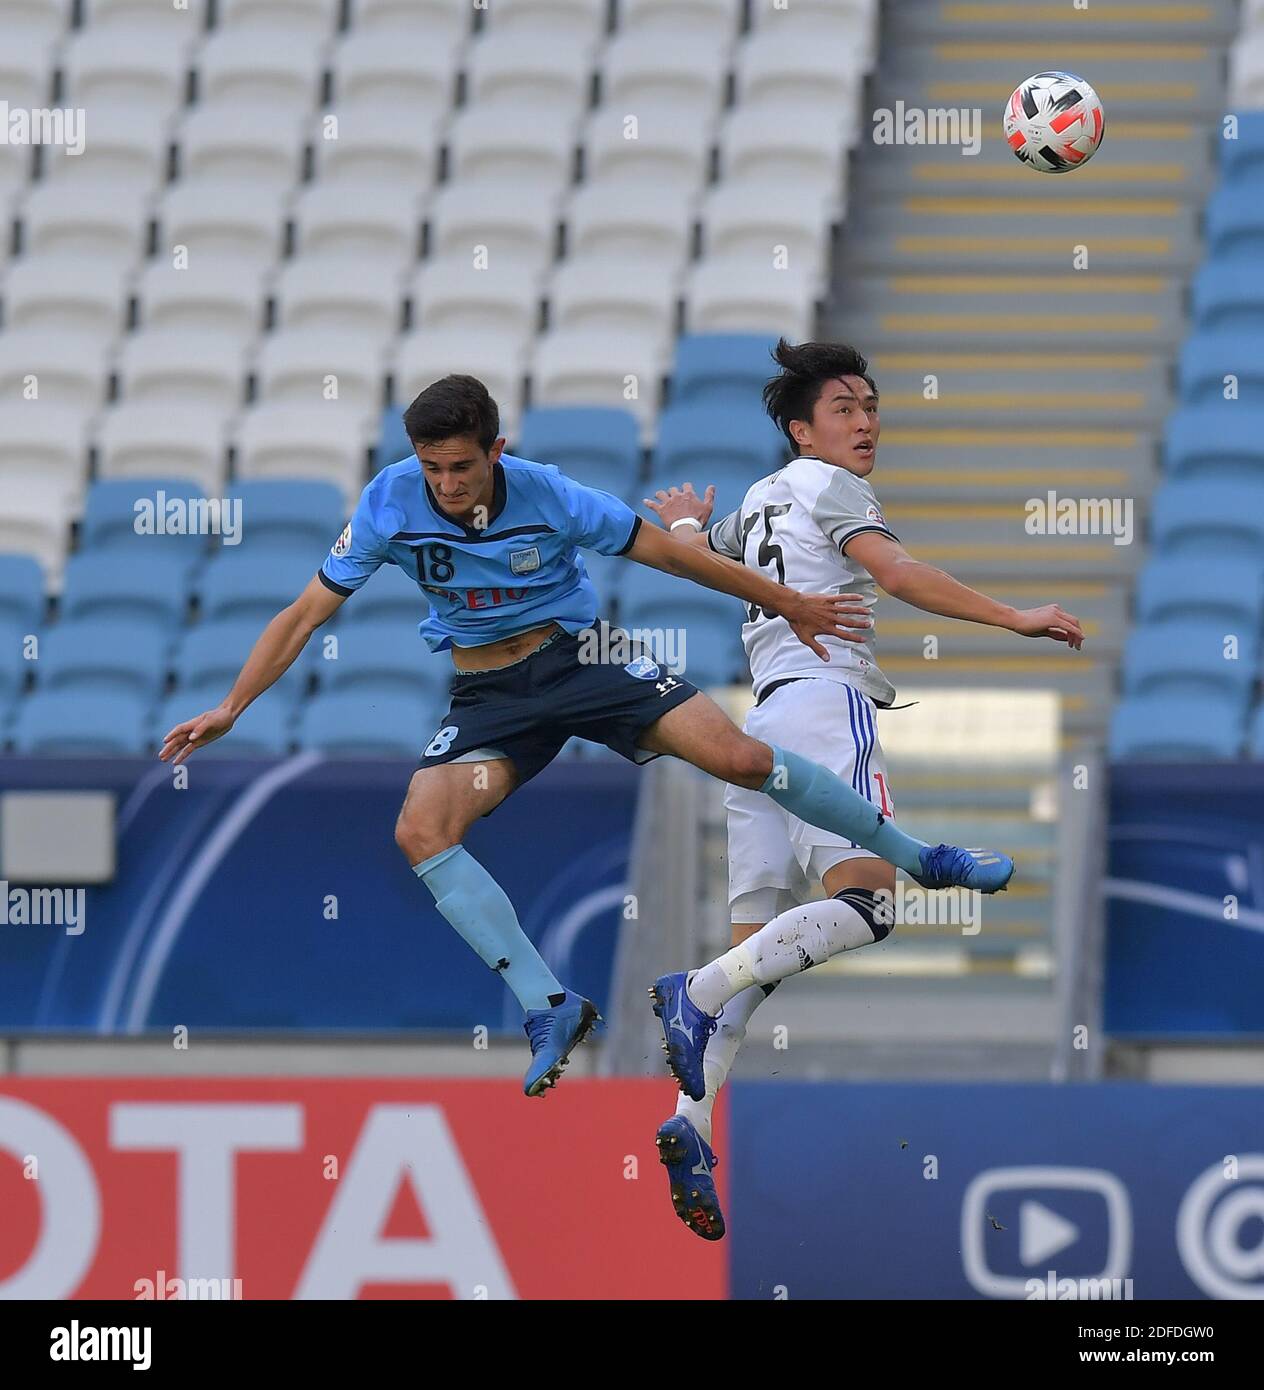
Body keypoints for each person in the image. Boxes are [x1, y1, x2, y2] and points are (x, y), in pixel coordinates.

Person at [160, 372, 1018, 1100]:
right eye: (433, 468)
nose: (446, 485)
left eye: (462, 467)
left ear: (496, 453)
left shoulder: (550, 493)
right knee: (421, 830)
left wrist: (787, 599)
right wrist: (233, 706)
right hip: (489, 691)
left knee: (743, 759)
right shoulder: (390, 502)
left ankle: (916, 855)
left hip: (584, 659)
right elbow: (305, 612)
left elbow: (672, 556)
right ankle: (550, 1006)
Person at [643, 339, 1084, 1239]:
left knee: (755, 960)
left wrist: (689, 525)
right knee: (870, 909)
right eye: (844, 408)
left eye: (871, 404)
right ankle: (690, 987)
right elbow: (897, 574)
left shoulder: (764, 497)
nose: (866, 420)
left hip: (754, 728)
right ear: (804, 430)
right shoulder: (830, 488)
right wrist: (1015, 617)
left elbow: (695, 559)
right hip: (820, 702)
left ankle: (691, 1122)